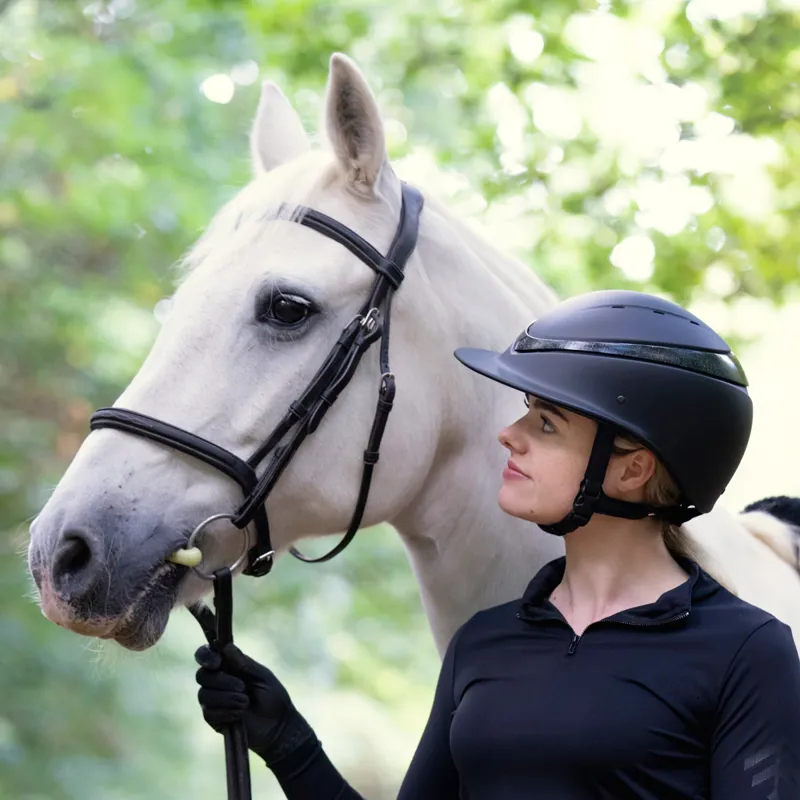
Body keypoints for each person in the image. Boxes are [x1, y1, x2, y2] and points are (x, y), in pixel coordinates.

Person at [195, 289, 800, 799]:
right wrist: (287, 742)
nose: (509, 435)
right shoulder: (484, 642)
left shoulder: (746, 652)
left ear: (632, 470)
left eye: (546, 424)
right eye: (526, 412)